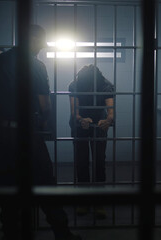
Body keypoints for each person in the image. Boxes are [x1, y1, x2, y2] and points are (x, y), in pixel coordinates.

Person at [0, 24, 81, 240]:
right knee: (46, 183)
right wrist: (43, 124)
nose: (42, 46)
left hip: (2, 133)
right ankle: (62, 234)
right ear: (32, 39)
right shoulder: (35, 65)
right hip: (26, 133)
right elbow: (45, 105)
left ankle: (11, 234)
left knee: (8, 185)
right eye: (41, 41)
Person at [68, 64, 114, 219]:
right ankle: (83, 200)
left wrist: (108, 120)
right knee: (81, 161)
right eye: (86, 87)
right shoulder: (75, 85)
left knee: (99, 161)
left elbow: (111, 112)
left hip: (99, 124)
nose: (88, 90)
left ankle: (98, 201)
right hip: (80, 124)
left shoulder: (106, 86)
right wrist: (80, 119)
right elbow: (74, 111)